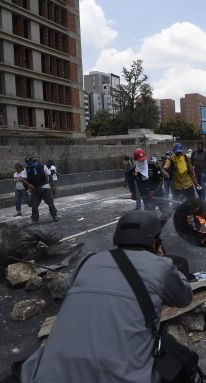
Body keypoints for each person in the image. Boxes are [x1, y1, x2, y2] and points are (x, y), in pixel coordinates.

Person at [20, 211, 193, 383]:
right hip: (122, 377)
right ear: (154, 242)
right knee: (181, 357)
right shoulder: (161, 266)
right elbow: (184, 298)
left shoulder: (88, 261)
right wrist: (164, 260)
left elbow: (65, 291)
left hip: (46, 375)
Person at [133, 149, 171, 225]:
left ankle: (158, 227)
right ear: (136, 160)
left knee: (168, 212)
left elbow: (160, 181)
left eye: (143, 160)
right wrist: (133, 192)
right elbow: (132, 181)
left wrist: (153, 191)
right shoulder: (134, 170)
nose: (141, 162)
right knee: (151, 217)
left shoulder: (154, 165)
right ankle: (154, 232)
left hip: (158, 193)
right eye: (139, 161)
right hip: (146, 197)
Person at [24, 154, 59, 224]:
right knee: (34, 205)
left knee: (50, 203)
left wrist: (53, 185)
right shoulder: (27, 169)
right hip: (34, 189)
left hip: (44, 187)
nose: (29, 164)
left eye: (30, 162)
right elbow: (25, 179)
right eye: (27, 163)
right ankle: (35, 219)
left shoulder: (43, 167)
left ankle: (54, 215)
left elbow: (50, 176)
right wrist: (29, 185)